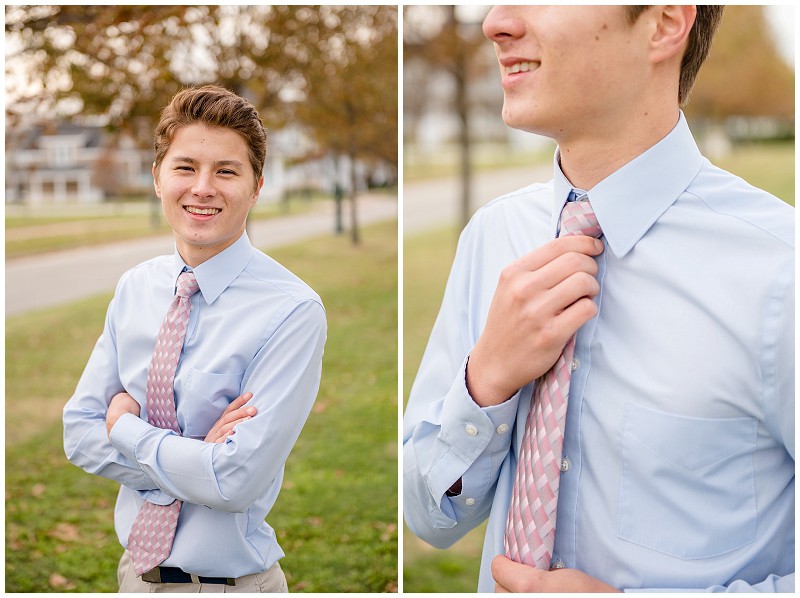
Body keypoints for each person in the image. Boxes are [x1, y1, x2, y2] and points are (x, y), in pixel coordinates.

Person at [403, 5, 793, 592]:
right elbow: (427, 518)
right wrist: (486, 379)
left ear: (663, 24)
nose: (494, 23)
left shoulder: (781, 269)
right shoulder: (492, 236)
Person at [63, 85, 327, 592]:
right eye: (185, 167)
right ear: (158, 178)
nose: (203, 187)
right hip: (134, 578)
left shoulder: (292, 310)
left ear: (256, 187)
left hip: (230, 585)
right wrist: (193, 459)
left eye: (226, 171)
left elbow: (234, 481)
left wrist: (124, 428)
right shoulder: (136, 287)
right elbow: (78, 434)